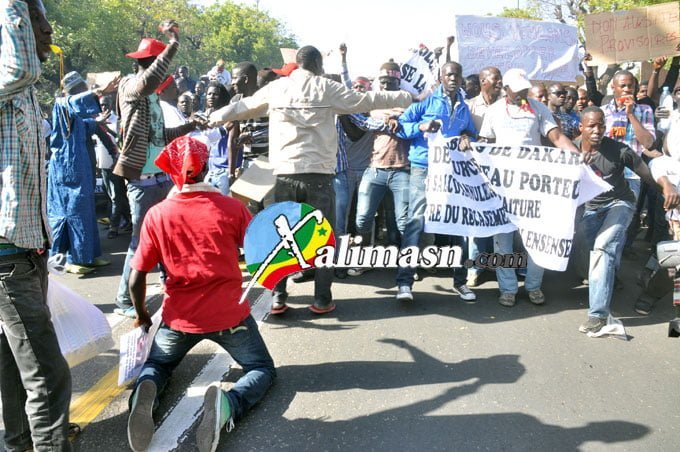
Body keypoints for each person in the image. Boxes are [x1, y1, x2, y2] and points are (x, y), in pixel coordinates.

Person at [208, 45, 412, 315]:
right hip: (319, 176)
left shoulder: (277, 89)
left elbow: (243, 107)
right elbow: (366, 101)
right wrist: (406, 97)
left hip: (284, 176)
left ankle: (279, 298)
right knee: (322, 240)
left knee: (283, 238)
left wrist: (214, 117)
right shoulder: (327, 88)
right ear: (316, 64)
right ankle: (322, 299)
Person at [126, 136, 275, 452]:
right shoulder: (232, 207)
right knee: (261, 368)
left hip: (178, 319)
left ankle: (144, 391)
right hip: (229, 316)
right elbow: (260, 252)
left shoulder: (157, 214)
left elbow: (136, 275)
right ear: (207, 168)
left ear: (170, 172)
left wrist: (141, 315)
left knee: (160, 364)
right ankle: (229, 404)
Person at [0, 1, 72, 450]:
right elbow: (20, 65)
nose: (46, 31)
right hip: (7, 257)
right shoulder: (8, 83)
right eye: (37, 22)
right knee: (47, 374)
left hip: (28, 248)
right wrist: (15, 5)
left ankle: (19, 441)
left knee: (12, 360)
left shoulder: (24, 95)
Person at [113, 22, 206, 317]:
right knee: (140, 243)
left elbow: (160, 136)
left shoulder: (151, 98)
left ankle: (172, 287)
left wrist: (192, 124)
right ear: (150, 64)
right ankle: (125, 301)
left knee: (168, 238)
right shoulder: (132, 87)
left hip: (162, 177)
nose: (163, 73)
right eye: (159, 64)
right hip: (140, 181)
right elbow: (148, 79)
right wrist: (173, 42)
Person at [478, 68, 580, 308]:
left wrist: (576, 155)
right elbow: (485, 143)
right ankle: (508, 288)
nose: (522, 94)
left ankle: (534, 286)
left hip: (534, 186)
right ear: (506, 89)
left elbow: (556, 138)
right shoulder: (493, 111)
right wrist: (469, 148)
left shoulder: (538, 108)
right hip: (503, 186)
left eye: (525, 89)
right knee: (502, 240)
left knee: (537, 236)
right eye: (517, 90)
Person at [574, 106, 680, 334]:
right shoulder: (570, 150)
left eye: (601, 125)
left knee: (603, 248)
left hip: (620, 204)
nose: (597, 130)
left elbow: (648, 175)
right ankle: (607, 275)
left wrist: (666, 188)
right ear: (581, 127)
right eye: (591, 125)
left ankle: (598, 315)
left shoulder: (620, 150)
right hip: (589, 209)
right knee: (584, 253)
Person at [393, 61, 478, 303]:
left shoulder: (463, 107)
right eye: (448, 74)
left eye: (457, 75)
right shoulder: (427, 102)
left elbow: (470, 131)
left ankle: (460, 283)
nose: (453, 78)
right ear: (441, 78)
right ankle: (404, 283)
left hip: (453, 170)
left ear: (461, 79)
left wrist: (465, 136)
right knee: (416, 222)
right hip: (424, 169)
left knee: (458, 224)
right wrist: (421, 126)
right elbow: (400, 127)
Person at [49, 71, 118, 273]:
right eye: (80, 90)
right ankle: (70, 259)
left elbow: (84, 124)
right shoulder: (61, 104)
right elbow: (74, 103)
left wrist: (98, 123)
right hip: (65, 167)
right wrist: (99, 91)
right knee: (72, 212)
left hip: (80, 166)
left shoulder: (75, 113)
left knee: (86, 210)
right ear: (70, 91)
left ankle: (88, 255)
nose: (84, 93)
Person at [465, 66, 502, 287]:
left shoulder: (508, 106)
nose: (499, 82)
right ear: (483, 81)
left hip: (503, 172)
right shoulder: (470, 107)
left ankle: (500, 264)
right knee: (477, 220)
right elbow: (462, 130)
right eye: (495, 79)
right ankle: (476, 268)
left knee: (501, 220)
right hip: (477, 172)